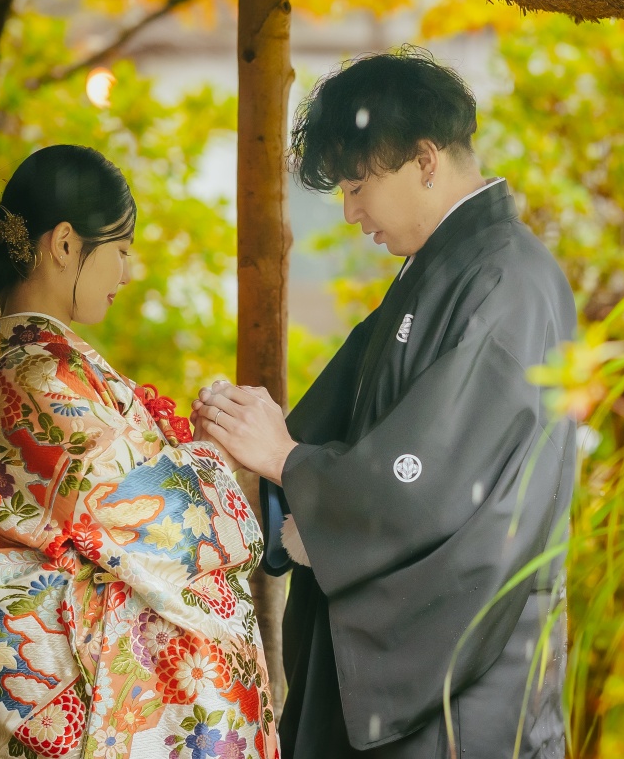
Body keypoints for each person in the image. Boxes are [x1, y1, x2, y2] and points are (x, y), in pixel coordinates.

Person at [192, 49, 577, 759]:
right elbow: (345, 426)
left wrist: (287, 459)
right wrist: (251, 434)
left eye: (358, 185)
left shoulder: (505, 280)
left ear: (425, 160)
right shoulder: (444, 270)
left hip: (468, 683)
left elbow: (429, 486)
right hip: (433, 668)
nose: (350, 212)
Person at [0, 145, 278, 759]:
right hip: (74, 711)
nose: (126, 273)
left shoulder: (32, 376)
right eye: (121, 250)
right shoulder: (37, 382)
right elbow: (132, 520)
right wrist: (215, 454)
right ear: (64, 244)